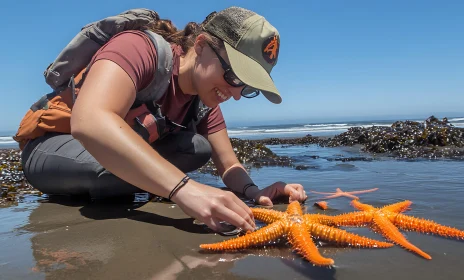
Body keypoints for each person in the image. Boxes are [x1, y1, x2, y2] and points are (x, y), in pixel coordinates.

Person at [17, 7, 307, 233]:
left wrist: (257, 194)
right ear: (203, 45)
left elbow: (229, 165)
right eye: (233, 76)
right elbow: (89, 121)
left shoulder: (205, 101)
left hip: (111, 168)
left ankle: (136, 185)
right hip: (52, 147)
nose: (236, 94)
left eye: (248, 86)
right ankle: (138, 184)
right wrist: (184, 189)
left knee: (197, 147)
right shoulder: (139, 47)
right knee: (106, 168)